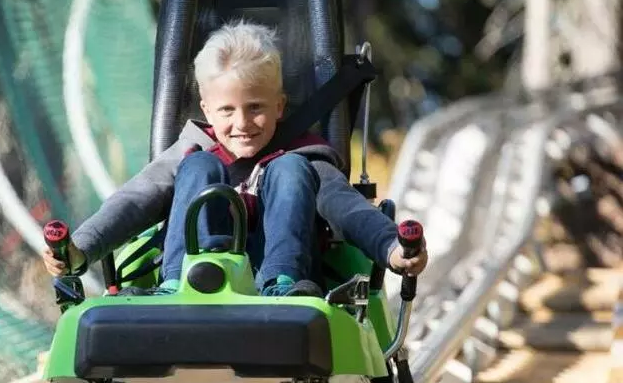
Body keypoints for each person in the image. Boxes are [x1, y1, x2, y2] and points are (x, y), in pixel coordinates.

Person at [43, 20, 427, 296]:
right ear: (207, 109)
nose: (242, 123)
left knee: (289, 169)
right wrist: (81, 248)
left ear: (280, 107)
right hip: (197, 281)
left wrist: (392, 247)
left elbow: (348, 209)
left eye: (256, 108)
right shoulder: (191, 150)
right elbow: (133, 199)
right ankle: (178, 282)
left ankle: (282, 284)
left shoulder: (307, 157)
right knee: (197, 167)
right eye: (227, 111)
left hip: (284, 283)